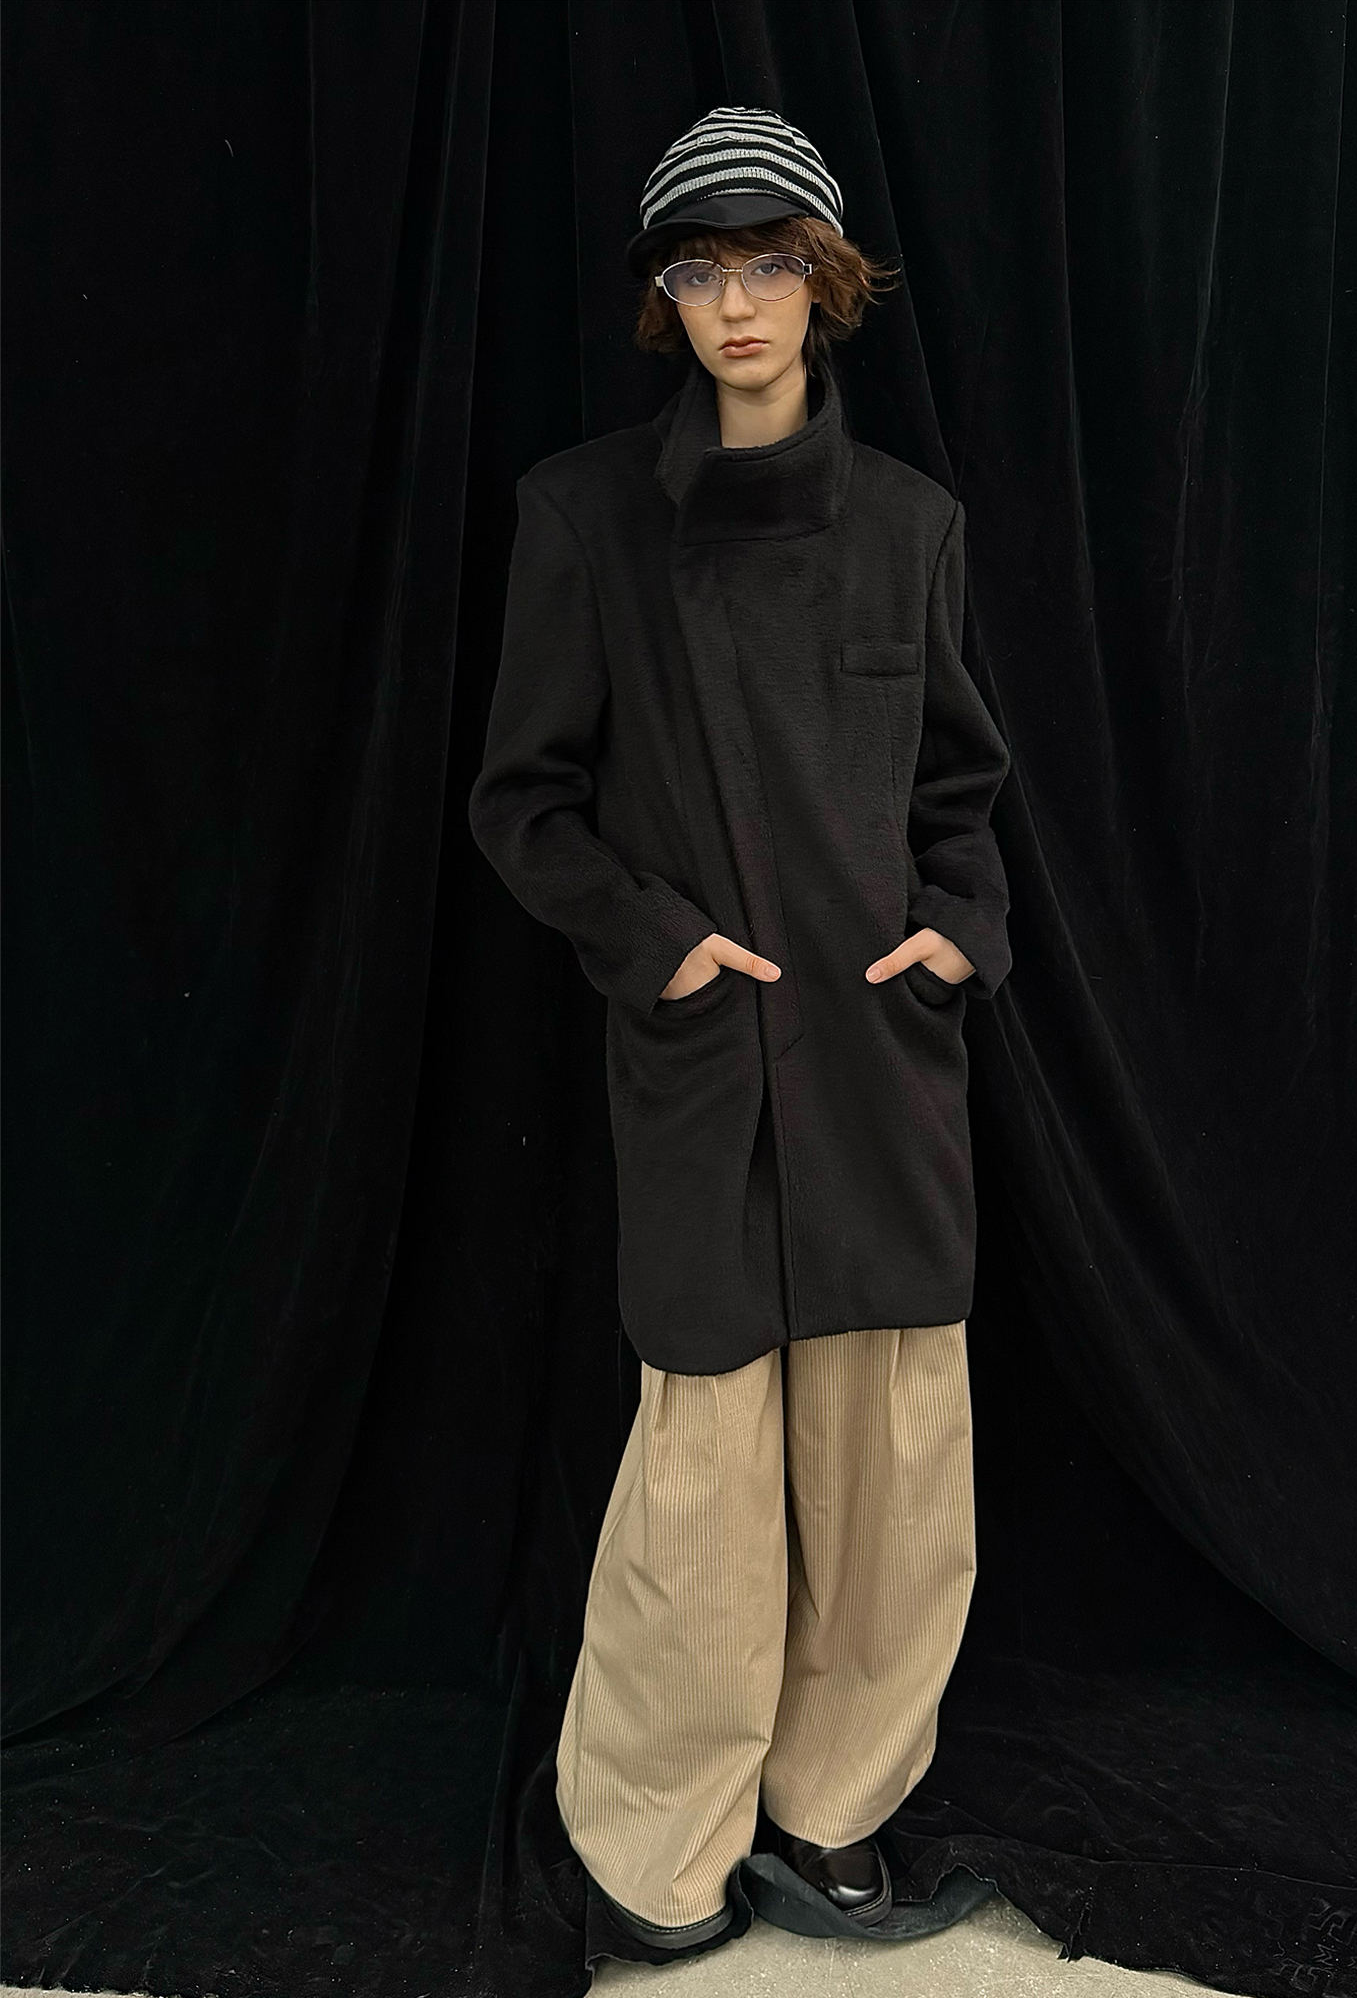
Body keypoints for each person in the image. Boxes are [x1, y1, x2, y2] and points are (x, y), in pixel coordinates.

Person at [468, 105, 1014, 1953]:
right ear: (666, 301)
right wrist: (662, 948)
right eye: (699, 270)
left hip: (881, 1066)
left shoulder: (915, 528)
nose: (739, 303)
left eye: (772, 261)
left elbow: (962, 790)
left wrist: (956, 940)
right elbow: (525, 802)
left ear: (827, 281)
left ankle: (838, 1812)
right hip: (702, 1069)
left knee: (891, 1467)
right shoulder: (585, 518)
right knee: (701, 1467)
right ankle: (658, 1848)